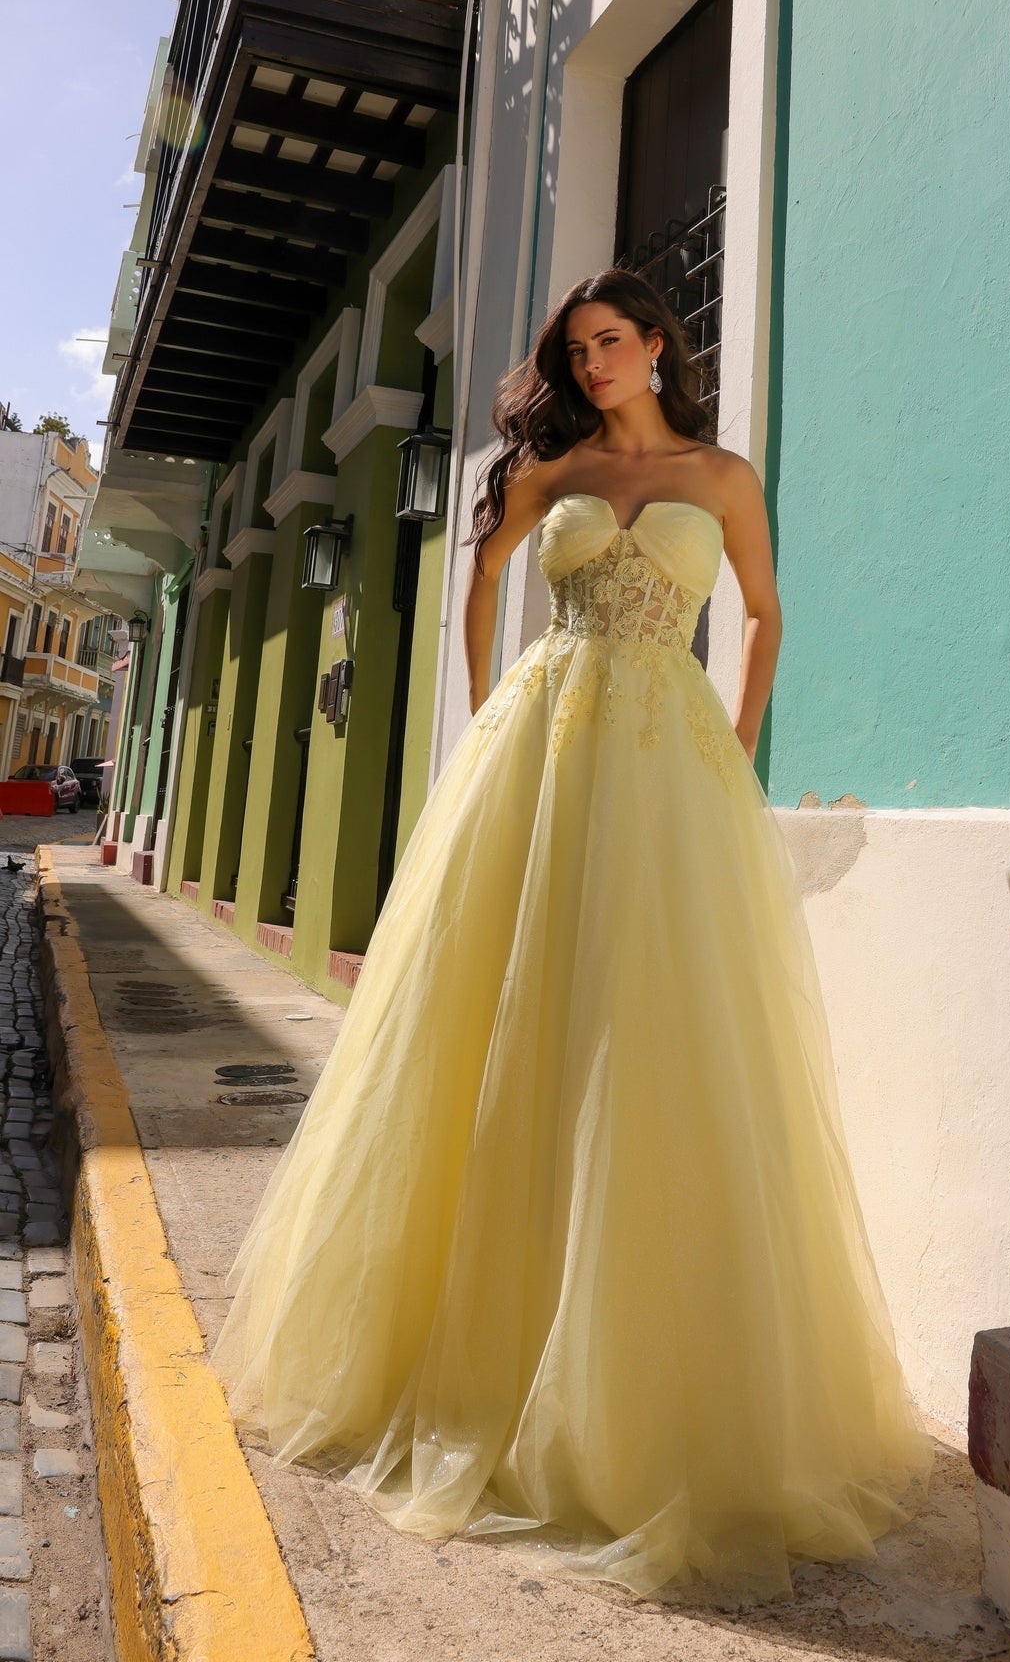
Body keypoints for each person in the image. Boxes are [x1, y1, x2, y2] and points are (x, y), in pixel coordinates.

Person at [212, 269, 930, 1601]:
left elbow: (765, 612)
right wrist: (489, 707)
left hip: (668, 767)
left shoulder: (724, 477)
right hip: (543, 751)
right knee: (499, 1016)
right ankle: (468, 1356)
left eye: (611, 343)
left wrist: (738, 741)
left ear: (659, 345)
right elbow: (481, 582)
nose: (593, 365)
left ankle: (629, 1382)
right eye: (576, 350)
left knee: (648, 1029)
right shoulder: (553, 471)